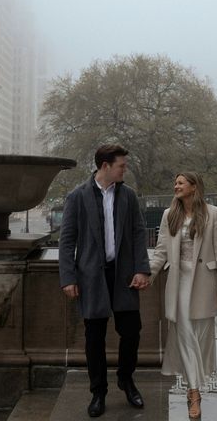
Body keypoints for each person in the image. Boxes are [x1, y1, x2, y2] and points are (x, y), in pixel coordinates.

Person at [59, 144, 150, 418]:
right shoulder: (77, 197)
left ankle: (126, 379)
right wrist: (68, 277)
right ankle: (98, 392)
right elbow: (67, 241)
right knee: (94, 337)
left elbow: (138, 233)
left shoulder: (129, 196)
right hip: (91, 277)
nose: (125, 169)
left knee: (131, 330)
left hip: (123, 275)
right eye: (121, 165)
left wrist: (142, 269)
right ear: (105, 166)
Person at [149, 172, 217, 419]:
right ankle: (194, 392)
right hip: (178, 282)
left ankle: (192, 385)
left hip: (204, 282)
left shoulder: (212, 213)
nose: (176, 186)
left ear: (194, 187)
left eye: (181, 183)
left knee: (200, 336)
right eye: (175, 182)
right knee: (184, 335)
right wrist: (147, 275)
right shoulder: (168, 215)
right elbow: (161, 250)